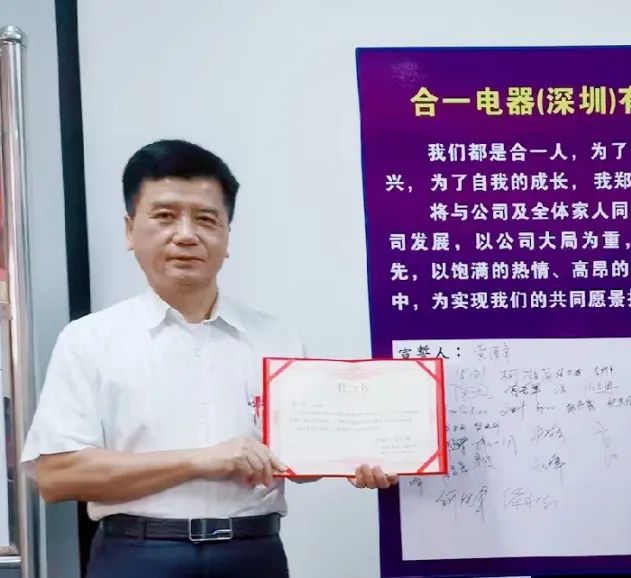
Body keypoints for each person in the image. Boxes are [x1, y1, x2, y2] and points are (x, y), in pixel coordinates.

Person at [20, 139, 398, 578]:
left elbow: (301, 461)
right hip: (137, 556)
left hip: (253, 555)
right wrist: (203, 459)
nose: (186, 234)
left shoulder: (276, 337)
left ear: (226, 236)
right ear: (129, 230)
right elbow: (58, 477)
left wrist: (354, 460)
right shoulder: (89, 340)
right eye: (165, 216)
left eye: (205, 219)